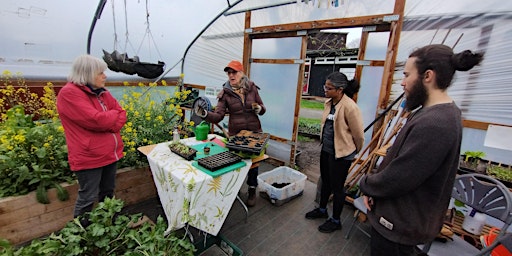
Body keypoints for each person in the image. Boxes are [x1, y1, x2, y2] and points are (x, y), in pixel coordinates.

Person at [358, 44, 484, 256]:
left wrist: (367, 184)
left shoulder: (436, 123)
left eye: (407, 75)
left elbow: (400, 177)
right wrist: (374, 189)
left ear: (428, 76)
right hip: (396, 220)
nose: (402, 82)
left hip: (399, 227)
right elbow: (398, 160)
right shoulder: (432, 112)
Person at [57, 54, 127, 226]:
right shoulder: (69, 94)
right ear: (87, 74)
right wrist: (111, 118)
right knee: (87, 197)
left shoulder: (101, 92)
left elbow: (122, 113)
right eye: (100, 72)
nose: (105, 76)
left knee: (108, 193)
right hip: (89, 157)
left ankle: (109, 225)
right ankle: (81, 233)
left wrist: (109, 119)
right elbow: (96, 120)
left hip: (109, 154)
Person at [194, 60, 266, 207]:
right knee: (236, 163)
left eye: (234, 72)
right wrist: (205, 114)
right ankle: (234, 189)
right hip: (236, 136)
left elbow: (262, 106)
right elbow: (218, 116)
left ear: (242, 73)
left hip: (254, 132)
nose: (231, 75)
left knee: (254, 163)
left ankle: (252, 188)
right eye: (229, 73)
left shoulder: (252, 88)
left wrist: (260, 108)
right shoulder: (225, 93)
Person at [305, 71, 364, 233]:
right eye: (326, 86)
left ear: (340, 90)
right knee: (325, 180)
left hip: (342, 154)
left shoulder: (350, 107)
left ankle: (336, 220)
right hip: (326, 150)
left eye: (328, 88)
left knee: (338, 188)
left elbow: (358, 135)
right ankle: (322, 210)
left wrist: (353, 152)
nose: (325, 90)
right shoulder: (329, 102)